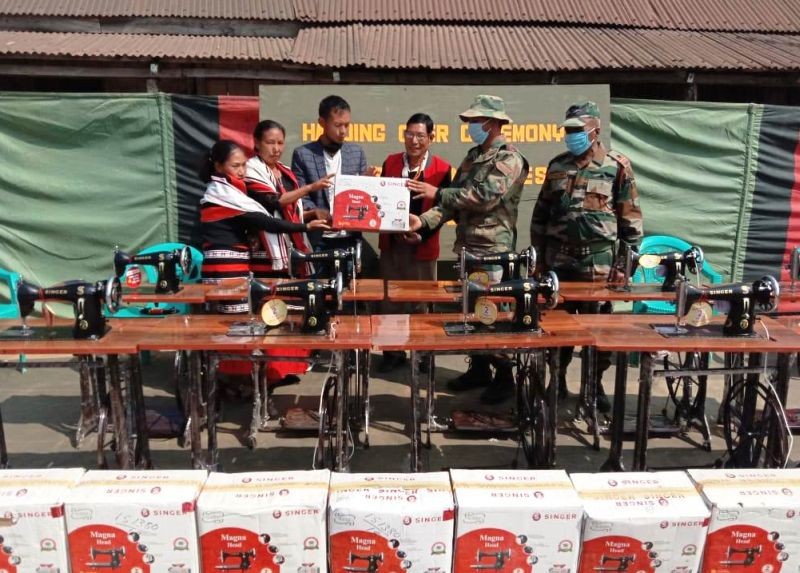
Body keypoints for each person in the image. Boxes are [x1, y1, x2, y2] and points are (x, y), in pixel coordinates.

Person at [408, 95, 530, 404]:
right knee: (470, 310)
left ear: (493, 123)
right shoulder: (473, 156)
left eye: (475, 122)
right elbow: (449, 205)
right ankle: (479, 369)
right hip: (468, 249)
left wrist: (439, 192)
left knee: (492, 312)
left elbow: (482, 198)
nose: (471, 127)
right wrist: (421, 224)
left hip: (492, 251)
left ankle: (504, 376)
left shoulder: (509, 158)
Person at [529, 101, 643, 413]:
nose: (571, 136)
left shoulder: (617, 166)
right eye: (568, 130)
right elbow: (540, 217)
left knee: (598, 330)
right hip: (560, 264)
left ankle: (594, 384)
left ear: (595, 131)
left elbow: (630, 222)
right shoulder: (557, 166)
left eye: (577, 130)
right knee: (557, 328)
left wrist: (624, 265)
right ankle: (559, 379)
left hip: (599, 267)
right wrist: (539, 261)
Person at [199, 140, 329, 389]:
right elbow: (266, 221)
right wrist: (304, 227)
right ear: (218, 166)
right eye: (235, 166)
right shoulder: (222, 194)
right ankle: (234, 381)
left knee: (238, 324)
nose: (241, 171)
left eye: (243, 166)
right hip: (226, 267)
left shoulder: (229, 192)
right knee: (233, 327)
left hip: (231, 264)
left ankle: (242, 378)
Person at [245, 120, 334, 388]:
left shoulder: (283, 172)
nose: (275, 148)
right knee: (268, 312)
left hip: (289, 248)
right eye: (269, 143)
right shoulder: (251, 170)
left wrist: (311, 214)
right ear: (257, 143)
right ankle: (265, 374)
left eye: (280, 143)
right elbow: (272, 203)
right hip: (266, 254)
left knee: (287, 313)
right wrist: (311, 188)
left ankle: (282, 368)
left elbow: (290, 211)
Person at [377, 113, 453, 373]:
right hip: (392, 246)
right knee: (391, 300)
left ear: (431, 138)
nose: (414, 140)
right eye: (410, 134)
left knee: (422, 303)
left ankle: (422, 354)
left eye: (421, 135)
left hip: (423, 246)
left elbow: (444, 211)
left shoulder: (442, 168)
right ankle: (392, 354)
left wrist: (421, 234)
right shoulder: (391, 162)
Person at [291, 95, 367, 253]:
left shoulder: (357, 153)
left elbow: (361, 194)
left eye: (347, 125)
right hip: (318, 238)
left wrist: (368, 185)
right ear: (322, 123)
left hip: (351, 238)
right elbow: (301, 194)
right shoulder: (303, 154)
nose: (343, 131)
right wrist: (316, 212)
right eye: (338, 125)